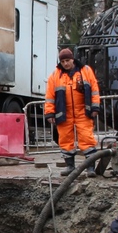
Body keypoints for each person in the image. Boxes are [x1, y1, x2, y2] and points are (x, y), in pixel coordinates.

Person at [44, 48, 102, 176]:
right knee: (65, 139)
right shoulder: (55, 75)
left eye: (68, 60)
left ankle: (90, 167)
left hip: (83, 111)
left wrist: (95, 107)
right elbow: (50, 96)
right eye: (63, 61)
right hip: (64, 113)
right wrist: (49, 113)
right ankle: (70, 166)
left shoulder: (85, 71)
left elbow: (94, 90)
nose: (65, 63)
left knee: (87, 138)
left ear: (73, 59)